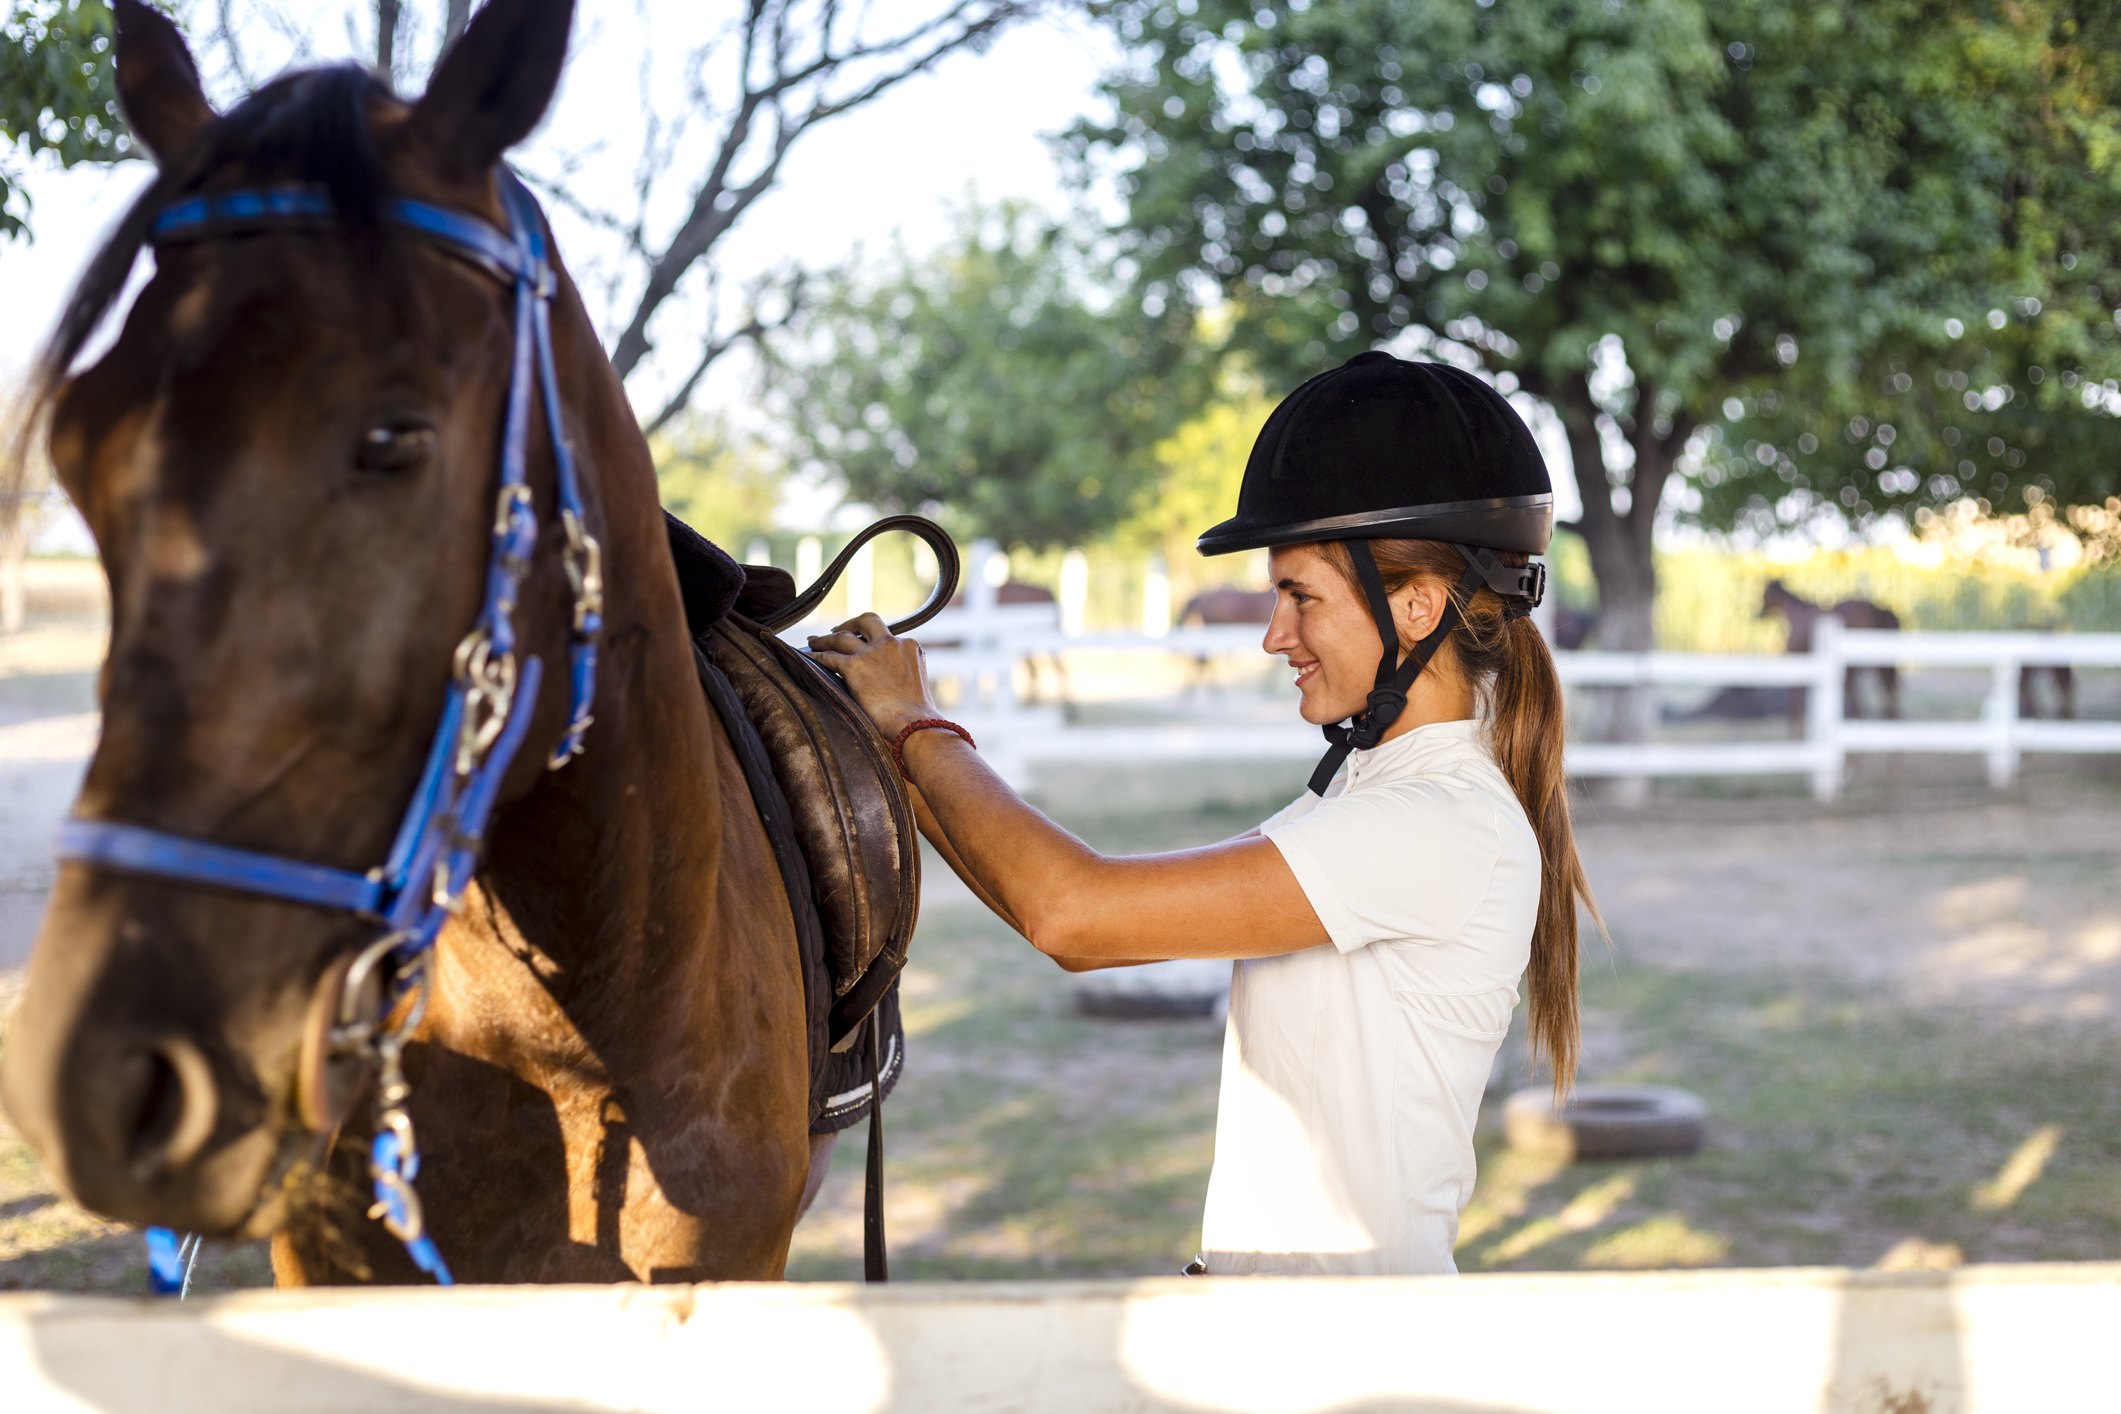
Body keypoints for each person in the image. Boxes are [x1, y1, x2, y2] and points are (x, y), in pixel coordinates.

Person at [808, 351, 1599, 1277]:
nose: (1273, 634)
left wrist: (915, 724)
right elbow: (1061, 905)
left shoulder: (1435, 822)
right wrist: (893, 747)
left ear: (1417, 606)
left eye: (1299, 595)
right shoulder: (1370, 793)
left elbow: (1074, 914)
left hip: (1341, 1365)